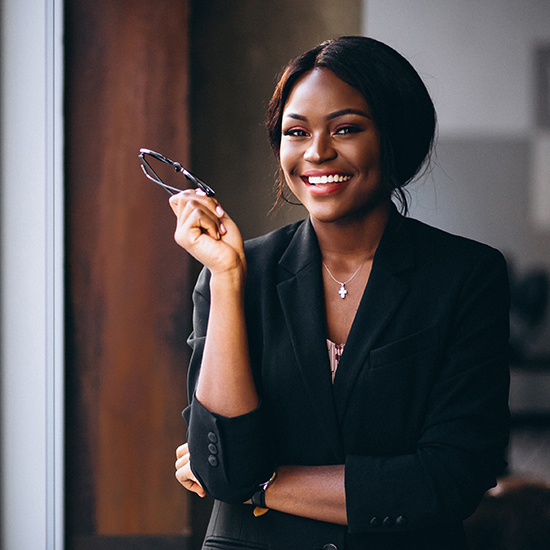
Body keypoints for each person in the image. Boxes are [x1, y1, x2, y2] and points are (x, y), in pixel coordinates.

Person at [172, 36, 510, 550]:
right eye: (296, 131)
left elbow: (452, 476)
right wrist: (226, 277)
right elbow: (221, 462)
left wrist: (260, 483)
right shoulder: (240, 273)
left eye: (346, 128)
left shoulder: (465, 275)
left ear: (393, 135)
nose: (317, 152)